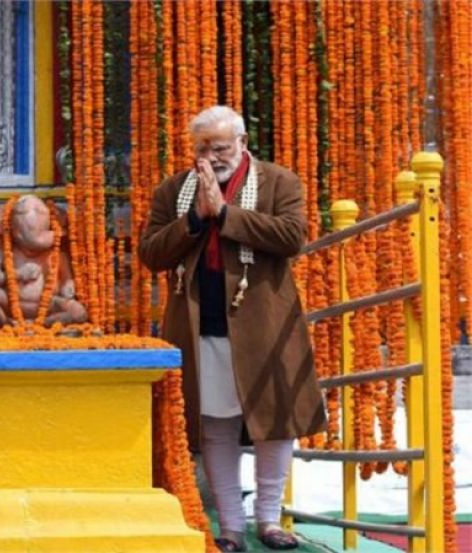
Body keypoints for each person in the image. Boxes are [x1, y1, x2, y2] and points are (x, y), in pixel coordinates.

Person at [138, 106, 327, 552]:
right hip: (198, 320)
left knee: (274, 421)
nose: (211, 156)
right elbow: (152, 254)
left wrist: (225, 215)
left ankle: (269, 519)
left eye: (220, 147)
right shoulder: (174, 192)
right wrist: (195, 220)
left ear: (242, 143)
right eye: (202, 147)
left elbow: (291, 237)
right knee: (215, 425)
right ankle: (230, 527)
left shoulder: (279, 182)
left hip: (264, 322)